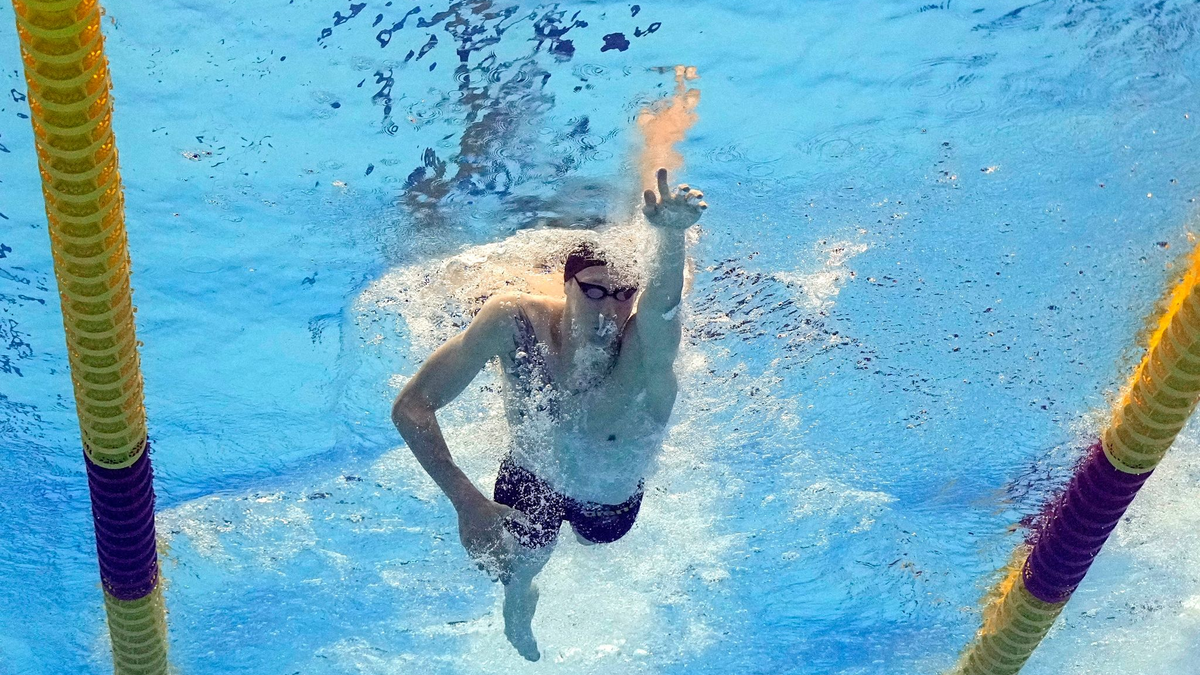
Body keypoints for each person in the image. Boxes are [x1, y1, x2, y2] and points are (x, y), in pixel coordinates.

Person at [391, 168, 706, 660]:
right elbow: (411, 407)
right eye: (595, 292)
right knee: (513, 564)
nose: (610, 308)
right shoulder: (513, 321)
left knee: (594, 539)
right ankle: (520, 595)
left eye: (624, 294)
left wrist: (669, 236)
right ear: (567, 286)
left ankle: (542, 563)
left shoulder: (643, 350)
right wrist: (464, 500)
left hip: (608, 501)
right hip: (532, 474)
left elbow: (664, 305)